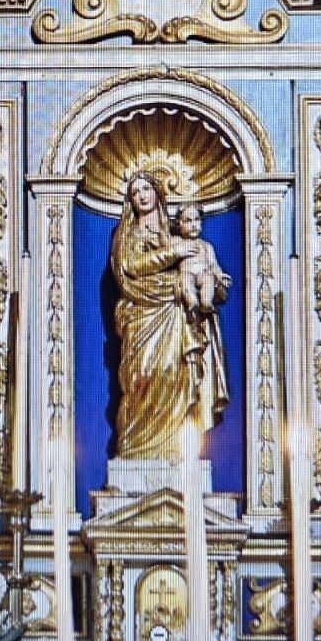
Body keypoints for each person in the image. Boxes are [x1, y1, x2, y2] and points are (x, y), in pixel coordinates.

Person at [109, 172, 229, 461]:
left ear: (157, 193)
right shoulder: (128, 233)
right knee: (144, 376)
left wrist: (214, 282)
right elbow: (130, 266)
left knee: (175, 372)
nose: (141, 195)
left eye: (146, 189)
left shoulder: (175, 233)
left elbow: (201, 272)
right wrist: (171, 253)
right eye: (135, 192)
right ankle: (135, 447)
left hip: (175, 313)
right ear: (130, 201)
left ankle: (177, 445)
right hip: (142, 314)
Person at [173, 204, 230, 324]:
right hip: (187, 273)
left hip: (203, 273)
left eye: (197, 220)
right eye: (188, 221)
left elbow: (213, 265)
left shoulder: (206, 246)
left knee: (208, 278)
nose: (194, 225)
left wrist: (220, 276)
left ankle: (206, 303)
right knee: (185, 281)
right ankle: (192, 303)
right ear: (179, 224)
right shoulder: (177, 242)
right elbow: (168, 252)